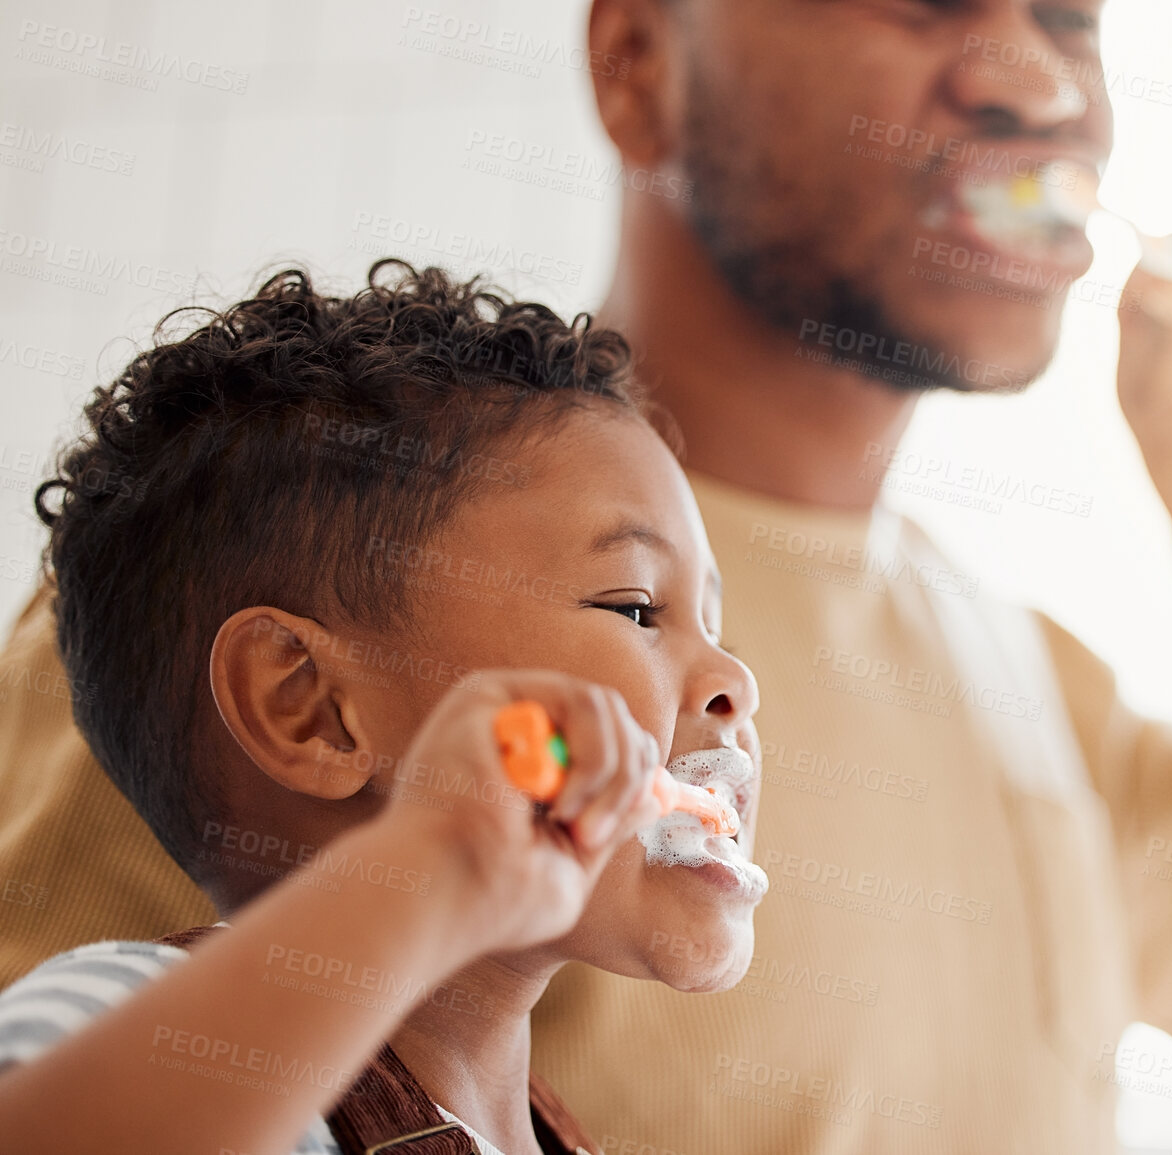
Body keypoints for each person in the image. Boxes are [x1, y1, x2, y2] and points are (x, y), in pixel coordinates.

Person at [0, 1, 1172, 1149]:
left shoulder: (1019, 668)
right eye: (916, 1)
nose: (1035, 82)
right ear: (639, 63)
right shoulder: (300, 571)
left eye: (1076, 19)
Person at [0, 264, 768, 1153]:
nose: (734, 679)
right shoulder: (132, 1023)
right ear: (312, 709)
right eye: (635, 607)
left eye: (719, 628)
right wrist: (432, 864)